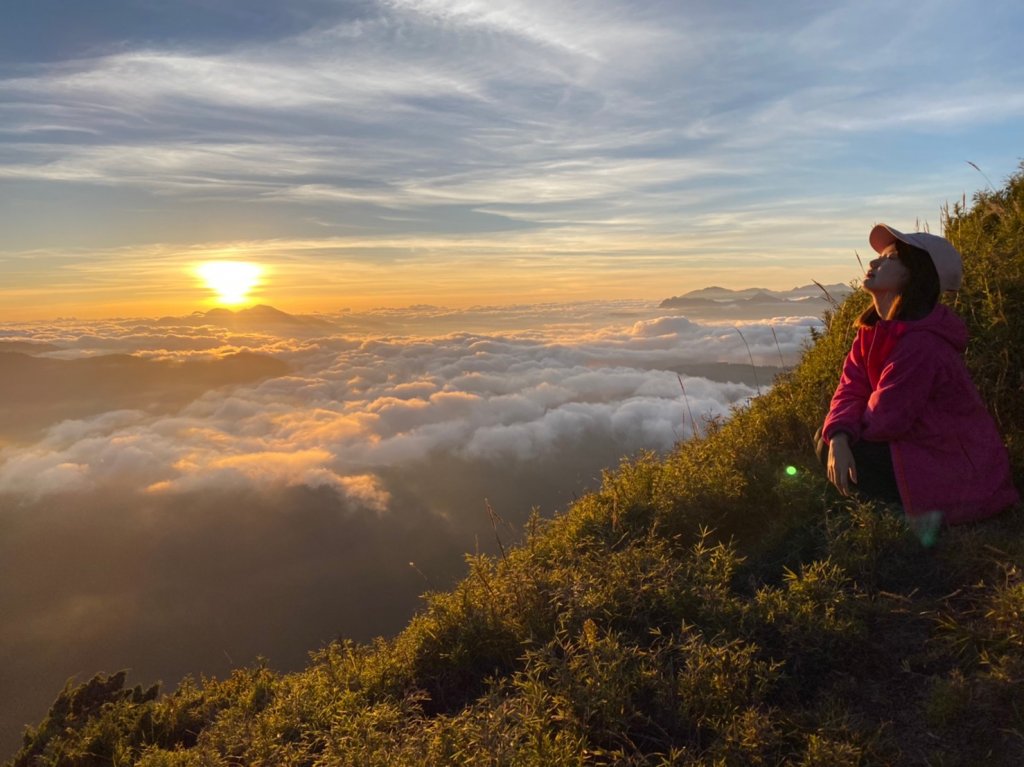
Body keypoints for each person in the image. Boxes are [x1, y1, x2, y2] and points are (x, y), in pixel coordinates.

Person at [818, 224, 1018, 541]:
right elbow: (850, 387)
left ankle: (914, 522)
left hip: (959, 469)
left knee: (843, 447)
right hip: (921, 448)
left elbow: (886, 419)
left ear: (915, 274)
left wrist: (843, 436)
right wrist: (840, 436)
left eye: (889, 258)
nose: (873, 264)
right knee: (833, 439)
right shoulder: (872, 332)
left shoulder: (923, 344)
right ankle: (893, 511)